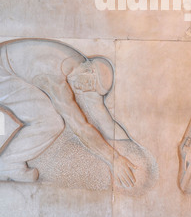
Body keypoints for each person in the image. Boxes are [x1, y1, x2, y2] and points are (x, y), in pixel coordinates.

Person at [0, 38, 136, 187]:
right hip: (3, 72)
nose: (85, 90)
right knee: (50, 122)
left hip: (10, 70)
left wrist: (131, 147)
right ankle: (9, 164)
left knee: (49, 120)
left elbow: (101, 115)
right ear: (89, 71)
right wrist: (113, 159)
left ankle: (9, 163)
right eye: (90, 84)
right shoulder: (54, 75)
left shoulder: (81, 67)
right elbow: (80, 127)